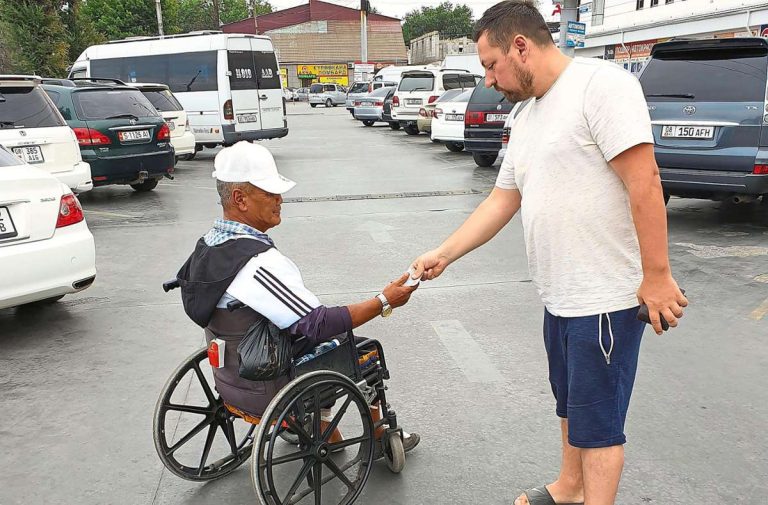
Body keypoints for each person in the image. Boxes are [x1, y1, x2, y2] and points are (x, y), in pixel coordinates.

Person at [411, 2, 687, 504]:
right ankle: (569, 488)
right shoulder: (527, 115)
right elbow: (503, 199)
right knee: (571, 404)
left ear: (521, 46)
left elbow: (644, 180)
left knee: (599, 423)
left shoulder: (600, 87)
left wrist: (657, 276)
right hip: (559, 297)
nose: (489, 79)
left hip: (603, 297)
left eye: (490, 65)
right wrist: (445, 253)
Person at [176, 140, 420, 452]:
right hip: (270, 375)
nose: (280, 200)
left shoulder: (206, 247)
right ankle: (375, 433)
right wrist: (385, 300)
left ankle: (324, 424)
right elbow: (317, 324)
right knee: (361, 350)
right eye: (269, 192)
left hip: (234, 371)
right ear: (240, 198)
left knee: (320, 341)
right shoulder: (257, 262)